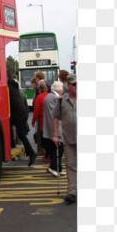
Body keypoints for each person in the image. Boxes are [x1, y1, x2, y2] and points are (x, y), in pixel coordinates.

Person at [52, 74, 77, 204]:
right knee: (71, 165)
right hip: (68, 138)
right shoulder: (62, 100)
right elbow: (55, 117)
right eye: (74, 84)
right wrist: (55, 134)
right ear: (68, 85)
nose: (77, 87)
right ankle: (72, 192)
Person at [8, 77, 36, 165]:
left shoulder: (9, 90)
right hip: (22, 113)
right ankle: (29, 152)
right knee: (20, 133)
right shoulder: (15, 91)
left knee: (20, 133)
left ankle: (31, 153)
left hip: (18, 115)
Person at [43, 81, 65, 177]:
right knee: (60, 148)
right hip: (55, 127)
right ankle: (53, 167)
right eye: (62, 89)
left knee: (55, 149)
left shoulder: (48, 97)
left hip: (48, 126)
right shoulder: (55, 98)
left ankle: (58, 168)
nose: (63, 91)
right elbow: (59, 113)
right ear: (59, 89)